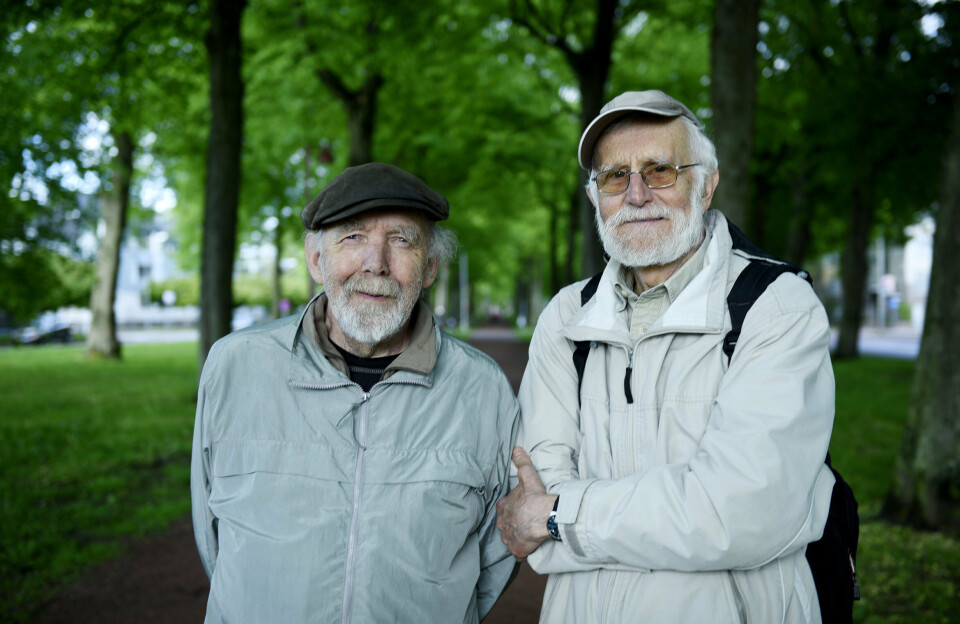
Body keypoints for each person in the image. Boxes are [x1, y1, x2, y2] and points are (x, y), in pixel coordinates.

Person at [495, 90, 836, 623]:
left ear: (707, 185)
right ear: (595, 198)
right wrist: (560, 518)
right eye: (615, 176)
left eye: (660, 171)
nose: (636, 195)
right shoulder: (565, 317)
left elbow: (738, 513)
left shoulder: (775, 306)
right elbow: (535, 512)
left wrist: (562, 517)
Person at [191, 162, 520, 623]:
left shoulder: (482, 389)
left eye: (401, 240)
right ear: (316, 260)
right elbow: (212, 533)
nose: (375, 262)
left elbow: (496, 549)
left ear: (429, 268)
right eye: (352, 237)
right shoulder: (236, 366)